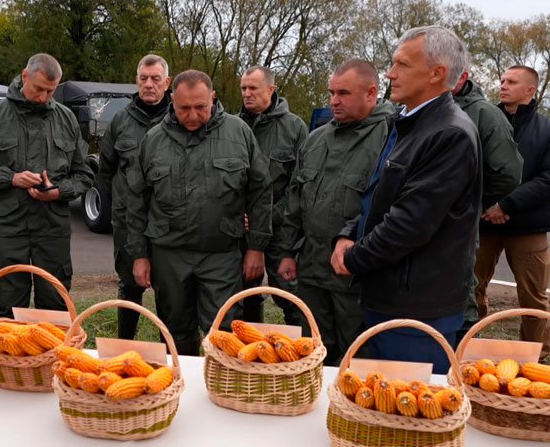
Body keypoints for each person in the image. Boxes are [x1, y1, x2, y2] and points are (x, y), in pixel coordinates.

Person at [330, 26, 482, 373]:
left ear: (436, 73)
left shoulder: (449, 133)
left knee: (414, 411)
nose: (389, 73)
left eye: (401, 64)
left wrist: (354, 257)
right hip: (389, 292)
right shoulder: (410, 124)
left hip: (418, 306)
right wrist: (348, 233)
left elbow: (410, 224)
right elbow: (379, 196)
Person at [126, 69, 272, 355]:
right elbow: (135, 201)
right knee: (175, 333)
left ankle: (224, 390)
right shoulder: (153, 140)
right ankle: (183, 391)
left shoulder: (238, 132)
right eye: (184, 108)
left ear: (213, 98)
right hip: (169, 255)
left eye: (200, 107)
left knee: (227, 334)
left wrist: (256, 247)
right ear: (172, 100)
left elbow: (260, 192)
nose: (192, 115)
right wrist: (139, 255)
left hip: (221, 254)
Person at [275, 59, 392, 366]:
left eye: (343, 93)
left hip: (357, 276)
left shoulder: (390, 137)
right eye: (331, 92)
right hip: (313, 270)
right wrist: (287, 251)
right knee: (315, 353)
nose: (334, 101)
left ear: (371, 93)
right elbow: (295, 200)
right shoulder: (316, 140)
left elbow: (389, 207)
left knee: (358, 357)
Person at [0, 54, 93, 318]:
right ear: (24, 76)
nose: (43, 97)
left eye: (50, 91)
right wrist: (10, 178)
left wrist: (58, 191)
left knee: (55, 308)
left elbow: (84, 174)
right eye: (38, 89)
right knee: (8, 306)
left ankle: (52, 359)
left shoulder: (66, 119)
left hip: (52, 230)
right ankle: (7, 361)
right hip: (10, 230)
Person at [473, 65, 550, 357]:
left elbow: (547, 179)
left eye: (512, 82)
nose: (503, 85)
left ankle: (534, 357)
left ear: (530, 90)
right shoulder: (482, 122)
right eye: (502, 80)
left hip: (528, 225)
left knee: (533, 299)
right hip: (483, 223)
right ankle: (473, 350)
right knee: (472, 289)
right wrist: (487, 206)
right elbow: (468, 167)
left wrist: (506, 205)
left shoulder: (546, 129)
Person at [98, 54, 171, 339]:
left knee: (169, 288)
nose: (149, 84)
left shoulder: (177, 118)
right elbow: (106, 170)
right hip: (129, 223)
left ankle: (170, 349)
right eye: (143, 79)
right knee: (129, 286)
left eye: (155, 79)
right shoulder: (120, 121)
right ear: (136, 81)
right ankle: (124, 343)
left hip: (168, 222)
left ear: (167, 82)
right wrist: (122, 203)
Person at [451, 58, 523, 342]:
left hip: (469, 227)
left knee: (462, 301)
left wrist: (476, 203)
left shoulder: (484, 114)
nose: (503, 86)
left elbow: (507, 173)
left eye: (511, 82)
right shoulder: (415, 110)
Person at [238, 66, 308, 325]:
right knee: (245, 292)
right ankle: (248, 349)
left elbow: (300, 182)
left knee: (290, 295)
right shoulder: (234, 126)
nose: (247, 94)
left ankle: (301, 353)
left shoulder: (294, 128)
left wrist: (268, 216)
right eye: (243, 88)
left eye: (253, 88)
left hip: (282, 228)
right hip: (242, 229)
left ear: (271, 89)